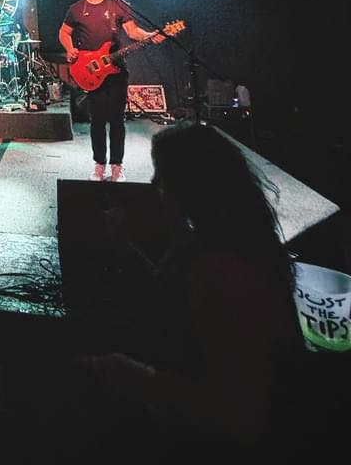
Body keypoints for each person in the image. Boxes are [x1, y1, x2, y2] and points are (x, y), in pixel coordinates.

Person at [77, 120, 310, 455]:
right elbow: (177, 296)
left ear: (189, 184)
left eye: (163, 175)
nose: (155, 183)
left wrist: (134, 375)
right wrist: (126, 247)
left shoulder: (222, 270)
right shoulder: (229, 238)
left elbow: (240, 413)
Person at [58, 0, 163, 182]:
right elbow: (64, 32)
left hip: (116, 70)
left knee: (117, 120)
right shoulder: (76, 9)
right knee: (97, 121)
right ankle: (99, 166)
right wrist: (70, 49)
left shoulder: (116, 4)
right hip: (89, 70)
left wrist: (150, 36)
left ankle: (117, 166)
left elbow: (133, 32)